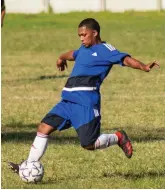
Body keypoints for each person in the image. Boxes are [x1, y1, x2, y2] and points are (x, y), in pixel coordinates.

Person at [9, 18, 159, 174]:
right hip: (67, 102)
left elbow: (125, 59)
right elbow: (72, 54)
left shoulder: (105, 50)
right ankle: (29, 165)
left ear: (94, 33)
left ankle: (118, 137)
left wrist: (144, 66)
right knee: (43, 128)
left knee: (89, 144)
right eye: (79, 35)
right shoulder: (83, 49)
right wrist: (61, 57)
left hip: (86, 103)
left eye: (84, 35)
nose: (81, 38)